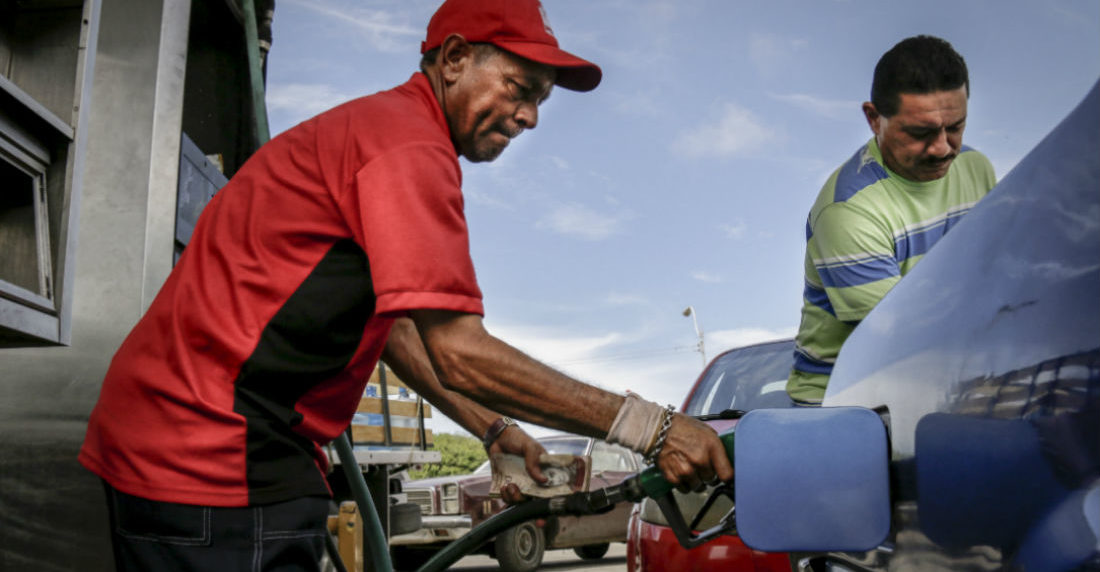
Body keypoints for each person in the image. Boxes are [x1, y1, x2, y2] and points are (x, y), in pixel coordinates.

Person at [78, 0, 732, 570]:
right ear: (454, 58)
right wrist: (654, 428)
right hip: (208, 447)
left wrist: (492, 429)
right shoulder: (407, 147)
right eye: (520, 87)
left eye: (541, 100)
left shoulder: (383, 131)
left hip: (185, 434)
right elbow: (460, 352)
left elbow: (394, 331)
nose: (531, 116)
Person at [786, 35, 996, 406]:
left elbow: (994, 275)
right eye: (920, 133)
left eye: (956, 127)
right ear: (873, 119)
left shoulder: (975, 168)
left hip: (944, 372)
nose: (942, 148)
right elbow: (907, 338)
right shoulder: (847, 211)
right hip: (842, 400)